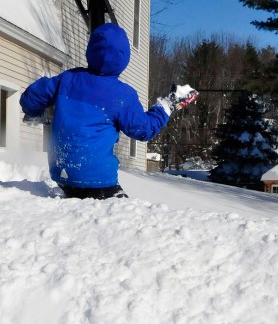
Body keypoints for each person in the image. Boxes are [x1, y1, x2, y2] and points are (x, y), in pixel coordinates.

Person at [20, 22, 198, 199]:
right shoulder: (123, 95)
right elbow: (143, 130)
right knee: (125, 217)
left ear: (90, 50)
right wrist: (166, 106)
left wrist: (34, 113)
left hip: (63, 174)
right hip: (99, 181)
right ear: (124, 57)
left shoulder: (67, 79)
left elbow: (32, 96)